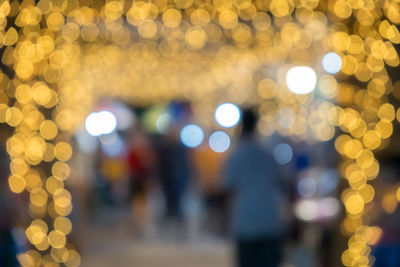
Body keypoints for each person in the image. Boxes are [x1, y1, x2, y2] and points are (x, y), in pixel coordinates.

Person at [223, 109, 287, 267]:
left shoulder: (235, 156)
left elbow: (228, 187)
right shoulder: (267, 153)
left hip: (245, 221)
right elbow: (282, 181)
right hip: (268, 220)